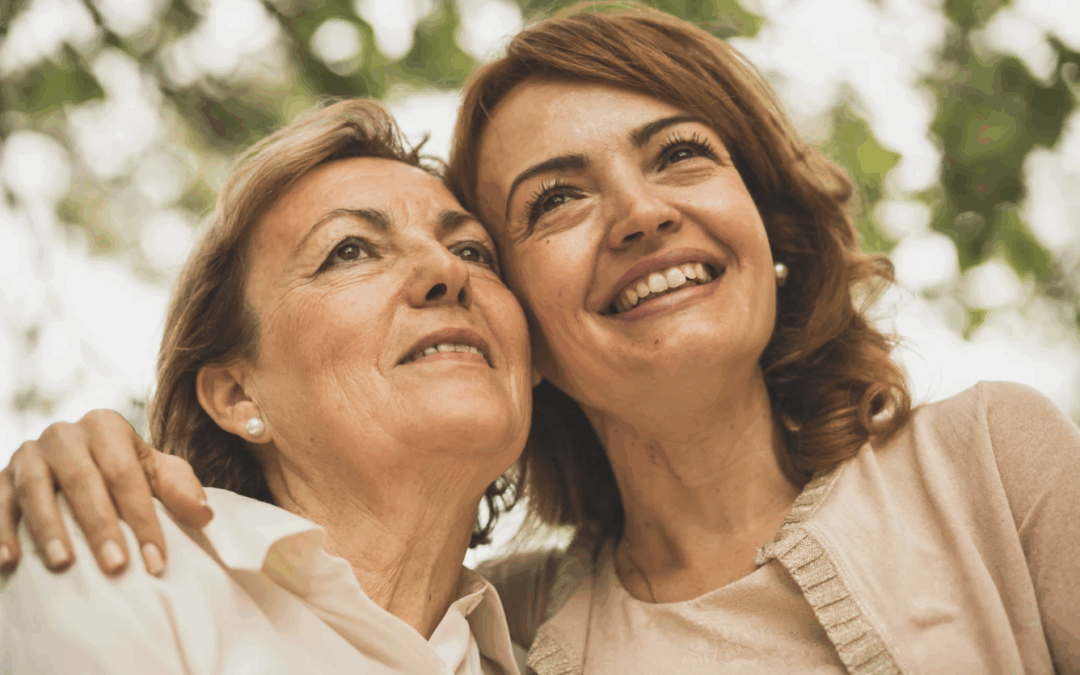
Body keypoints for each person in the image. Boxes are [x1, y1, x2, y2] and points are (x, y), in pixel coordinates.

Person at [4, 4, 1080, 674]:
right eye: (556, 201)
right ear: (532, 326)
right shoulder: (512, 630)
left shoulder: (992, 460)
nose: (641, 214)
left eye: (681, 154)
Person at [0, 99, 533, 675]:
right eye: (348, 250)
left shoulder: (544, 649)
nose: (447, 271)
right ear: (237, 396)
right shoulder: (113, 560)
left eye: (472, 252)